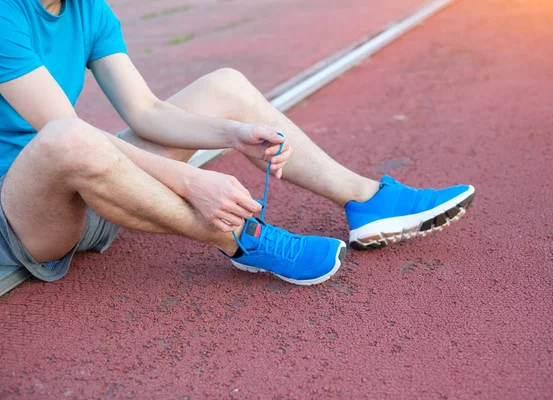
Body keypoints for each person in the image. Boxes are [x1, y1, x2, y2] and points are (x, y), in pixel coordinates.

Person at [0, 0, 475, 286]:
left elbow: (146, 111)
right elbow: (62, 131)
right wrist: (192, 181)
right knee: (67, 135)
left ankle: (367, 200)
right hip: (30, 219)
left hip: (100, 197)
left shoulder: (90, 11)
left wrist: (232, 133)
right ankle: (241, 238)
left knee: (224, 85)